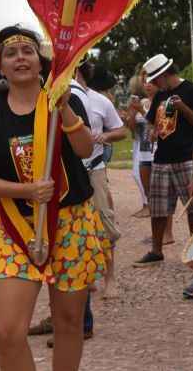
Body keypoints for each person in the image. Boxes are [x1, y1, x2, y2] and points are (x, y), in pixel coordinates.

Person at [0, 25, 109, 370]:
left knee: (69, 323)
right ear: (0, 65)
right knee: (7, 332)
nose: (20, 58)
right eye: (11, 53)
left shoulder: (64, 103)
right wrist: (25, 190)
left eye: (27, 51)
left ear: (41, 61)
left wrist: (64, 108)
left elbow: (86, 148)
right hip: (16, 227)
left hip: (72, 222)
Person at [133, 54, 193, 268]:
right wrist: (154, 130)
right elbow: (153, 120)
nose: (153, 85)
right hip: (162, 157)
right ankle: (156, 250)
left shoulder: (192, 90)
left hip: (186, 156)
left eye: (155, 80)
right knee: (158, 207)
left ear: (164, 75)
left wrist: (182, 107)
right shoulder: (160, 95)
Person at [71, 60, 128, 298]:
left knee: (104, 222)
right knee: (73, 226)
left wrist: (104, 136)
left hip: (94, 168)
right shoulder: (54, 98)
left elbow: (121, 130)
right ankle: (85, 276)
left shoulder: (99, 100)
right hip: (70, 172)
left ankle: (110, 278)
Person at [123, 65, 154, 218]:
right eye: (143, 80)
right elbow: (131, 128)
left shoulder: (152, 101)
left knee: (144, 174)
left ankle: (149, 205)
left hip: (149, 145)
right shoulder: (138, 102)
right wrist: (129, 114)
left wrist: (139, 111)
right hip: (139, 143)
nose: (145, 83)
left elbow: (154, 122)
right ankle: (146, 203)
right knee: (137, 174)